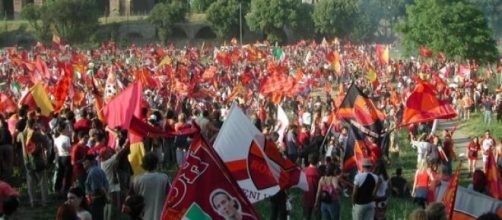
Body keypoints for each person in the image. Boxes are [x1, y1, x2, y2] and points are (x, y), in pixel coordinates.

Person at [131, 152, 170, 220]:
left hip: (143, 216)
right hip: (160, 215)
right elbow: (170, 196)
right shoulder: (164, 178)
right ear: (156, 164)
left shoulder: (137, 180)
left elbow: (131, 198)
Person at [83, 154, 109, 220]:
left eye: (84, 161)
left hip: (95, 202)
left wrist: (106, 197)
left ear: (89, 162)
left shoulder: (93, 172)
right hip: (98, 201)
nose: (83, 163)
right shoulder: (98, 170)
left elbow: (98, 188)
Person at [53, 125, 73, 195]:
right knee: (67, 174)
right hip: (66, 156)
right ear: (64, 129)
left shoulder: (56, 138)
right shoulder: (66, 138)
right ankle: (66, 190)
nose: (68, 129)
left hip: (59, 157)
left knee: (60, 173)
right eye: (67, 128)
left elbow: (55, 150)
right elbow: (69, 149)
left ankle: (57, 189)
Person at [303, 154, 320, 220]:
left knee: (307, 215)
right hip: (316, 197)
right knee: (317, 215)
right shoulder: (318, 172)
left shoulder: (304, 171)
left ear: (308, 160)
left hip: (307, 196)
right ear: (317, 161)